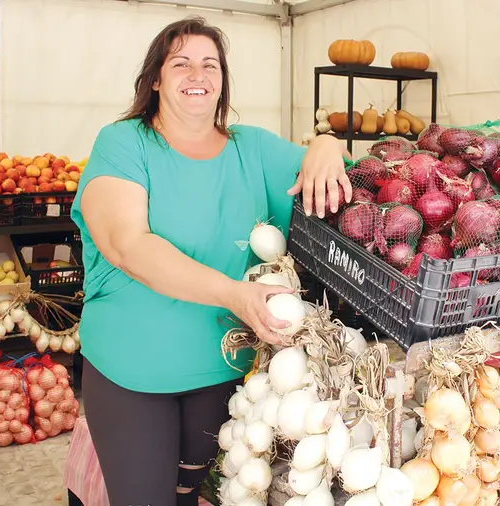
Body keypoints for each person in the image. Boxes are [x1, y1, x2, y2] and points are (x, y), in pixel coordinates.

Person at [69, 14, 351, 506]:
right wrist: (235, 294)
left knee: (197, 498)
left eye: (210, 65)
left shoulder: (253, 149)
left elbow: (330, 180)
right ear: (155, 78)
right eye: (181, 64)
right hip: (134, 370)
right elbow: (126, 244)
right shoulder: (123, 144)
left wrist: (327, 142)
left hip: (225, 372)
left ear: (222, 80)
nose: (198, 76)